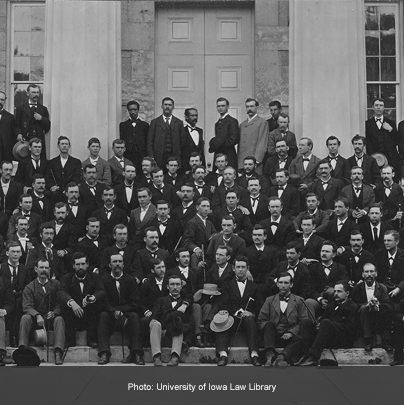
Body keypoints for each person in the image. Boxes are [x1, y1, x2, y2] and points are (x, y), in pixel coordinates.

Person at [213, 256, 262, 367]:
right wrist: (234, 313)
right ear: (233, 268)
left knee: (249, 319)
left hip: (248, 320)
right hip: (232, 317)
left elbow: (259, 305)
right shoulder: (226, 285)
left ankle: (254, 354)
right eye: (238, 267)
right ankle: (223, 354)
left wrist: (251, 313)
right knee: (223, 320)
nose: (240, 269)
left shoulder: (255, 287)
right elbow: (224, 303)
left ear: (247, 268)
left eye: (243, 267)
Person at [98, 253, 145, 365]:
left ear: (124, 264)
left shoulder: (130, 280)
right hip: (110, 313)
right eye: (114, 262)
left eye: (120, 261)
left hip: (126, 313)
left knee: (134, 316)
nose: (117, 264)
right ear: (110, 265)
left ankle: (136, 353)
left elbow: (135, 302)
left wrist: (121, 311)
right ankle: (104, 353)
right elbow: (103, 300)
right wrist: (113, 311)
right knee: (102, 316)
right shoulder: (103, 280)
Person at [298, 281, 358, 366]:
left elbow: (351, 328)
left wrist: (330, 324)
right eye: (335, 291)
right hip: (326, 336)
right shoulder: (331, 305)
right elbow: (323, 320)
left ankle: (314, 357)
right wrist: (318, 324)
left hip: (341, 338)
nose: (336, 294)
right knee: (305, 322)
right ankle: (305, 354)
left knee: (326, 322)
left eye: (339, 291)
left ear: (347, 293)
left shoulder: (352, 307)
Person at [258, 272, 310, 367]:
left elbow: (303, 320)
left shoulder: (299, 300)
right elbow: (261, 320)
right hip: (273, 336)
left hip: (290, 336)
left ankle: (281, 357)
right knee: (269, 324)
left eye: (286, 283)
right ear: (277, 284)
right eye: (280, 282)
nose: (283, 286)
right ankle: (269, 356)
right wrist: (270, 330)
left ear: (291, 284)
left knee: (301, 339)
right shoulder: (269, 300)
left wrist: (291, 332)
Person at [19, 259, 65, 365]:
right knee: (25, 318)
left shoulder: (56, 284)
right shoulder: (29, 287)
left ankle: (58, 352)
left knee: (59, 319)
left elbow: (60, 302)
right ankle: (23, 349)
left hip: (51, 318)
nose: (44, 270)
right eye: (41, 267)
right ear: (36, 269)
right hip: (35, 320)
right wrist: (37, 315)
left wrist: (55, 312)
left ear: (49, 270)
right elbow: (27, 306)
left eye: (46, 268)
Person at [58, 252, 105, 348]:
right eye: (78, 264)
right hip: (73, 315)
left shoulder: (94, 277)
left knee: (96, 307)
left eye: (83, 264)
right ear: (73, 266)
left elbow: (101, 291)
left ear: (87, 264)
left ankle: (91, 339)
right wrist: (72, 302)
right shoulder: (66, 278)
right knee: (65, 307)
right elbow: (61, 292)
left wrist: (92, 298)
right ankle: (70, 340)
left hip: (89, 314)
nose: (80, 267)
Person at [150, 274, 193, 366]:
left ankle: (175, 357)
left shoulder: (185, 303)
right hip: (161, 335)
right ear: (167, 287)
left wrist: (179, 326)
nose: (175, 287)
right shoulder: (161, 300)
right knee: (154, 323)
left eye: (178, 284)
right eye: (172, 284)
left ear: (181, 287)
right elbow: (154, 316)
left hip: (177, 336)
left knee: (178, 324)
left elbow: (190, 322)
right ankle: (156, 356)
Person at [351, 262, 392, 352]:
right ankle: (368, 341)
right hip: (363, 316)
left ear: (376, 273)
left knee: (386, 309)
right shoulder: (357, 288)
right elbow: (354, 304)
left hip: (378, 315)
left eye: (371, 271)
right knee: (365, 309)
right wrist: (367, 304)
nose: (369, 274)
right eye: (366, 272)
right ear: (362, 274)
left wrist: (377, 304)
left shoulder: (382, 287)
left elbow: (386, 303)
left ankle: (386, 341)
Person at [0, 242, 30, 347]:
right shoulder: (1, 268)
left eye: (18, 252)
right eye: (13, 251)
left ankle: (14, 336)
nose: (15, 254)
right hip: (4, 300)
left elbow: (27, 287)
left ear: (21, 253)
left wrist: (17, 294)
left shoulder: (24, 269)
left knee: (18, 303)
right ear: (7, 253)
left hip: (19, 299)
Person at [365, 98, 401, 179]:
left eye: (381, 105)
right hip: (374, 158)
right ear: (372, 107)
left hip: (390, 159)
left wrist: (390, 130)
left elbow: (397, 141)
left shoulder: (391, 123)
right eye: (376, 105)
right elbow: (367, 142)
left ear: (384, 108)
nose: (378, 107)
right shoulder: (367, 124)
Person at [42, 203, 78, 279]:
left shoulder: (72, 228)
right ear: (54, 213)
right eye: (58, 213)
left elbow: (72, 246)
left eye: (63, 213)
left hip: (62, 259)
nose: (60, 215)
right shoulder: (47, 225)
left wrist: (64, 251)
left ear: (67, 213)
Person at [15, 84, 50, 158]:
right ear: (27, 93)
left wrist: (41, 119)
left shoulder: (43, 109)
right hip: (25, 140)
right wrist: (19, 134)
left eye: (37, 92)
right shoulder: (21, 108)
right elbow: (16, 125)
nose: (36, 95)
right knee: (25, 162)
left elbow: (47, 127)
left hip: (38, 141)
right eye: (33, 92)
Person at [147, 97, 183, 168]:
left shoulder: (179, 123)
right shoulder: (155, 122)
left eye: (169, 105)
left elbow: (182, 142)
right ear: (162, 106)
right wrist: (151, 157)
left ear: (173, 107)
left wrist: (179, 157)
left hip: (174, 157)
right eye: (165, 104)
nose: (167, 107)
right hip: (159, 157)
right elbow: (149, 141)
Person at [182, 197, 217, 269]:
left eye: (208, 206)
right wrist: (196, 248)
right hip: (197, 256)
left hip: (208, 255)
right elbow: (187, 241)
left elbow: (215, 234)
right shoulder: (192, 222)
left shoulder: (209, 222)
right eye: (203, 206)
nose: (206, 209)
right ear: (197, 207)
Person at [45, 136, 82, 203]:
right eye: (62, 144)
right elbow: (48, 177)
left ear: (69, 146)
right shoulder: (52, 162)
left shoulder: (76, 162)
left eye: (66, 144)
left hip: (70, 190)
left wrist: (69, 188)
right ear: (58, 146)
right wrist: (52, 187)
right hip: (56, 192)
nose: (64, 146)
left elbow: (77, 177)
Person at [238, 98, 269, 173]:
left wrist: (257, 160)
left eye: (251, 106)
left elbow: (262, 142)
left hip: (255, 163)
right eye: (247, 107)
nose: (249, 109)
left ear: (257, 107)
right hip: (242, 163)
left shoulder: (262, 122)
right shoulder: (242, 125)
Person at [209, 97, 239, 169]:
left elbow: (234, 139)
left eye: (223, 106)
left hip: (228, 154)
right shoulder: (217, 123)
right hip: (218, 154)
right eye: (218, 106)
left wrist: (219, 146)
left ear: (227, 107)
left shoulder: (232, 121)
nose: (220, 108)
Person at [374, 230, 404, 303]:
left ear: (397, 242)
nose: (386, 243)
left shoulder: (403, 255)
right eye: (385, 240)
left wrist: (399, 288)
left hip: (399, 291)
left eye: (389, 240)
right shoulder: (379, 254)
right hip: (382, 291)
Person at [119, 100, 149, 173]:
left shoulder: (145, 125)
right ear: (128, 111)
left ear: (138, 110)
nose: (133, 112)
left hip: (141, 155)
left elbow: (147, 140)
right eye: (130, 110)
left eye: (135, 110)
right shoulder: (123, 125)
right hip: (128, 155)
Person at [0, 271, 14, 366]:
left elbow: (10, 302)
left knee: (0, 318)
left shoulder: (6, 282)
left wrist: (4, 311)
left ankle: (1, 353)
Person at [0, 91, 17, 163]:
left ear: (5, 101)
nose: (0, 101)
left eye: (2, 100)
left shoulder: (10, 117)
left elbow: (13, 137)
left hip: (5, 154)